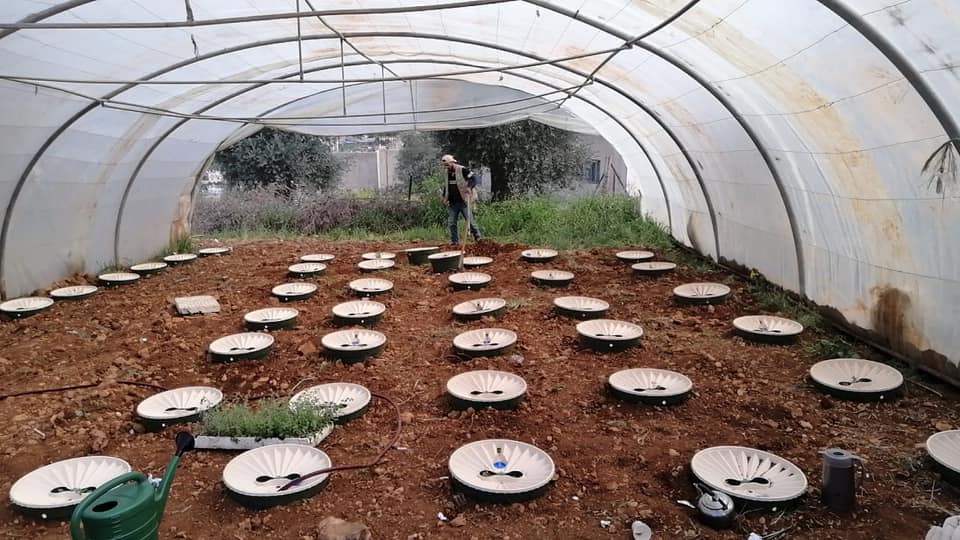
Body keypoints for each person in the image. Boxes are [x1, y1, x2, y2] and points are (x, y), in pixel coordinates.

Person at [440, 154, 481, 244]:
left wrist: (469, 187)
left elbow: (474, 178)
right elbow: (446, 185)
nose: (446, 167)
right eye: (444, 166)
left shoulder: (462, 170)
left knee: (470, 221)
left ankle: (478, 238)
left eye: (447, 165)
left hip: (464, 201)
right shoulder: (447, 173)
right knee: (451, 222)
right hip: (453, 202)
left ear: (452, 162)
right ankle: (455, 241)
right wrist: (443, 196)